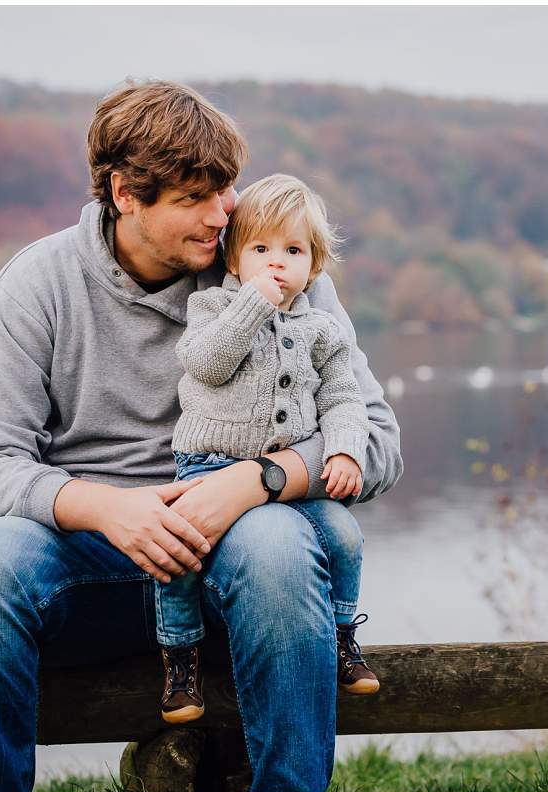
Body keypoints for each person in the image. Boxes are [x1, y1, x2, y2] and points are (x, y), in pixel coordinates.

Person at [0, 80, 402, 792]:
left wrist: (256, 481)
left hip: (237, 565)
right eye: (192, 198)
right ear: (125, 194)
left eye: (225, 190)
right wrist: (104, 507)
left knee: (278, 544)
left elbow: (376, 439)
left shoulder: (273, 265)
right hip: (89, 564)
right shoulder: (37, 284)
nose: (222, 215)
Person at [157, 174, 381, 726]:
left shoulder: (321, 329)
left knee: (344, 536)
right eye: (260, 249)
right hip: (208, 466)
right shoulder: (214, 308)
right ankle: (179, 657)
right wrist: (252, 305)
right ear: (233, 260)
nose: (275, 262)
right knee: (179, 558)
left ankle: (342, 636)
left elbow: (344, 398)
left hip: (288, 485)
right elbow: (207, 363)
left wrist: (346, 453)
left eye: (292, 250)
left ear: (315, 264)